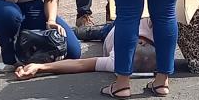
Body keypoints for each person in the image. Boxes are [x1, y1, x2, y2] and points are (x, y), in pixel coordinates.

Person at [15, 20, 157, 81]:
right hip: (127, 20)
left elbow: (81, 64)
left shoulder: (117, 62)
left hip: (110, 31)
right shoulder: (155, 29)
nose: (142, 43)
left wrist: (41, 67)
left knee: (88, 33)